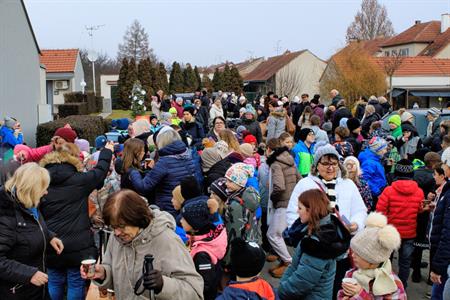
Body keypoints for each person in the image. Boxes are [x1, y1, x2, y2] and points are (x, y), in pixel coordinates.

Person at [84, 189, 204, 299]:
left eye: (121, 226)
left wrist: (164, 285)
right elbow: (115, 274)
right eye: (113, 227)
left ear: (137, 219)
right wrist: (104, 273)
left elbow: (194, 292)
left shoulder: (167, 240)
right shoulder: (117, 237)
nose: (116, 232)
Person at [286, 142, 367, 297]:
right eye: (325, 164)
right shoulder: (305, 184)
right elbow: (293, 215)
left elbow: (360, 210)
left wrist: (356, 224)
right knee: (315, 290)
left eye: (334, 164)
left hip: (341, 250)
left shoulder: (348, 184)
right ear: (316, 165)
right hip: (315, 251)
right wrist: (310, 235)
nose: (330, 168)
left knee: (338, 288)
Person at [39, 142, 113, 300]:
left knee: (54, 281)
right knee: (76, 282)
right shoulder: (80, 180)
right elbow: (100, 172)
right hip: (78, 245)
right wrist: (107, 151)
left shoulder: (41, 182)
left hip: (51, 242)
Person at [0, 163, 64, 299]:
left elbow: (30, 227)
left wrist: (49, 236)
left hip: (35, 289)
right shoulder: (6, 215)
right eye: (44, 188)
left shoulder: (29, 204)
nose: (46, 192)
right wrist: (28, 274)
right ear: (32, 189)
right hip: (16, 292)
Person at [278, 189, 350, 300]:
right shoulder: (323, 231)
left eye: (300, 208)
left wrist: (281, 291)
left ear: (311, 210)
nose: (297, 211)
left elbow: (301, 283)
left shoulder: (317, 244)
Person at [376, 159, 424, 288]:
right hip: (409, 233)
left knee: (386, 260)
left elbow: (380, 211)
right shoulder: (419, 192)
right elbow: (419, 210)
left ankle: (385, 285)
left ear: (396, 172)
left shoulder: (388, 190)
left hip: (390, 232)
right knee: (405, 262)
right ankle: (402, 286)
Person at [128, 127, 196, 216]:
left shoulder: (165, 161)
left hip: (167, 207)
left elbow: (143, 187)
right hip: (183, 204)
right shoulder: (187, 155)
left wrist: (133, 171)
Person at [337, 212, 406, 300]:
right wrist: (344, 295)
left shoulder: (392, 283)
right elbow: (340, 295)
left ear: (372, 259)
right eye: (353, 251)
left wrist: (361, 295)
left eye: (358, 254)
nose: (352, 255)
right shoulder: (351, 273)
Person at [180, 198, 227, 300]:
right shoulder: (196, 237)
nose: (180, 221)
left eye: (184, 219)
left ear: (195, 226)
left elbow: (206, 284)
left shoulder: (201, 255)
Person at [266, 142, 301, 278]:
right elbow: (300, 180)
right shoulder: (290, 161)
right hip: (293, 202)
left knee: (273, 234)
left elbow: (279, 187)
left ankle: (288, 262)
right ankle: (284, 261)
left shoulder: (275, 164)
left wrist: (274, 199)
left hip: (283, 203)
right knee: (277, 233)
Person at [412, 152, 441, 283]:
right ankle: (430, 276)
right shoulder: (436, 177)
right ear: (434, 163)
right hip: (430, 213)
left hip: (418, 212)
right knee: (432, 245)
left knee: (417, 243)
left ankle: (416, 273)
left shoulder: (416, 173)